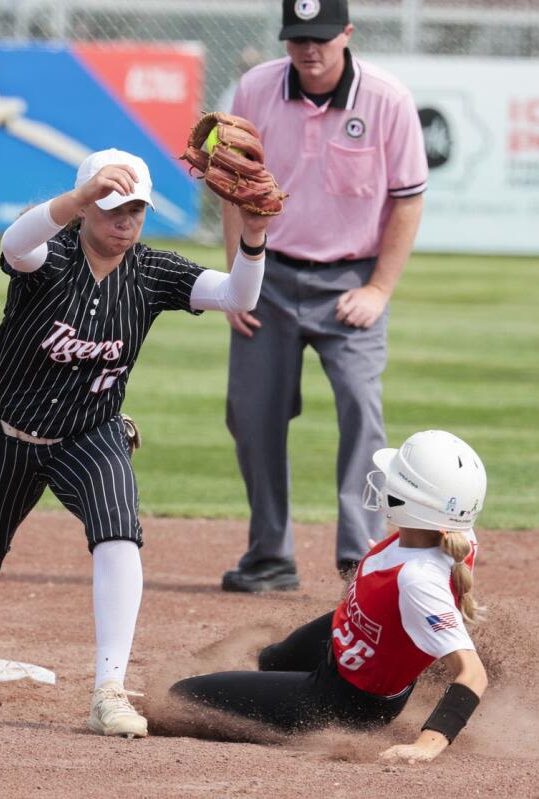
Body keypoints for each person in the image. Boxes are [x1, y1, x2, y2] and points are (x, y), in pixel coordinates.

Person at [0, 148, 272, 739]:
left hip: (91, 432)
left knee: (118, 531)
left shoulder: (153, 273)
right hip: (6, 433)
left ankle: (109, 689)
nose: (124, 221)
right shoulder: (47, 258)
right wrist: (76, 200)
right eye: (111, 208)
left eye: (135, 210)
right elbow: (13, 243)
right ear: (84, 210)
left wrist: (253, 237)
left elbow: (239, 296)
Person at [220, 0, 428, 593]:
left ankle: (360, 559)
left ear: (346, 34)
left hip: (351, 280)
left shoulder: (387, 98)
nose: (308, 50)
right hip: (270, 275)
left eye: (320, 37)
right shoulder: (256, 89)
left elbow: (408, 200)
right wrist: (239, 280)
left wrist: (380, 288)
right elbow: (233, 186)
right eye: (296, 38)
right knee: (252, 416)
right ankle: (269, 557)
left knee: (362, 410)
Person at [171, 430, 488, 763]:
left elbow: (473, 674)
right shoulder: (453, 532)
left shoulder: (418, 581)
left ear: (411, 502)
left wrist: (426, 746)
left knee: (181, 698)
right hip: (350, 634)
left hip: (346, 701)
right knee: (273, 661)